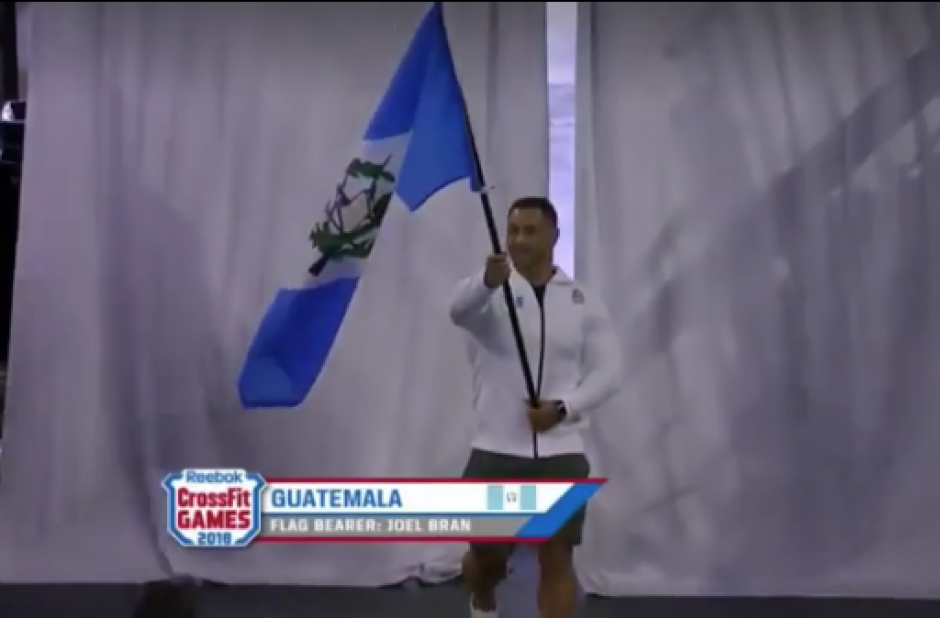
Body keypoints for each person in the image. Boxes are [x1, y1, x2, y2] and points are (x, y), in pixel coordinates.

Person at [448, 196, 623, 618]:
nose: (519, 240)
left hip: (561, 452)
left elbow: (609, 372)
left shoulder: (582, 300)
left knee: (557, 557)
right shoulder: (489, 296)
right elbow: (457, 310)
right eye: (513, 231)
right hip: (496, 449)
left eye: (530, 230)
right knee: (487, 559)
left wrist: (564, 409)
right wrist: (486, 281)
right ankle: (483, 597)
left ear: (554, 236)